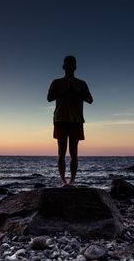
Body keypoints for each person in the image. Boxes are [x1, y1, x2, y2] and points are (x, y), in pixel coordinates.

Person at [47, 56, 93, 187]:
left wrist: (76, 92)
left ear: (75, 67)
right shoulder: (56, 82)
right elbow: (49, 98)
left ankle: (72, 181)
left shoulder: (81, 83)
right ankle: (63, 181)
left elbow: (90, 100)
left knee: (74, 153)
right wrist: (64, 91)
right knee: (61, 153)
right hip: (60, 120)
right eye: (67, 64)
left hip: (76, 121)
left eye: (72, 64)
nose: (69, 66)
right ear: (63, 66)